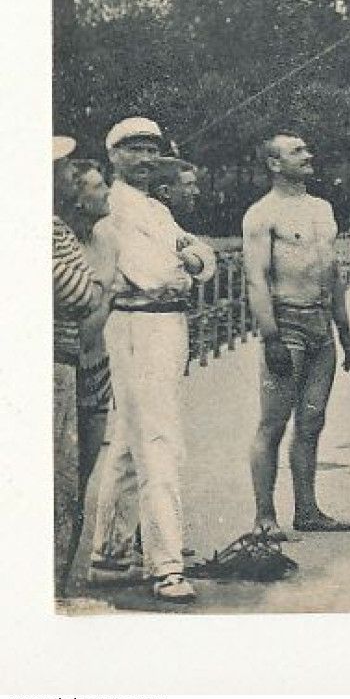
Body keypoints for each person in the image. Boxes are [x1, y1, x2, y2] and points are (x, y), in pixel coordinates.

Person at [90, 120, 216, 604]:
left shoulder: (156, 207)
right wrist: (187, 265)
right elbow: (153, 274)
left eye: (151, 150)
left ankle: (111, 554)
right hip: (139, 326)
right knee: (161, 442)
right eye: (134, 150)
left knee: (129, 441)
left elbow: (203, 257)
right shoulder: (116, 207)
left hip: (166, 326)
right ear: (114, 154)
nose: (145, 158)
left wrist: (191, 261)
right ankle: (166, 565)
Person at [244, 132, 350, 539]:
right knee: (273, 423)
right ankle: (264, 515)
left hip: (321, 325)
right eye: (297, 151)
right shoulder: (262, 214)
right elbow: (256, 280)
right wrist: (271, 336)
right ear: (275, 164)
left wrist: (345, 330)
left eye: (307, 148)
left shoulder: (323, 209)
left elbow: (334, 272)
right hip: (286, 323)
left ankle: (307, 510)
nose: (309, 155)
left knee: (311, 421)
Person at [52, 138, 106, 596]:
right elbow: (80, 294)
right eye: (66, 171)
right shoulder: (51, 230)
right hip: (60, 361)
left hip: (75, 359)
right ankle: (54, 587)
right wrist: (101, 285)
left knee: (70, 478)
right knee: (62, 481)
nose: (70, 177)